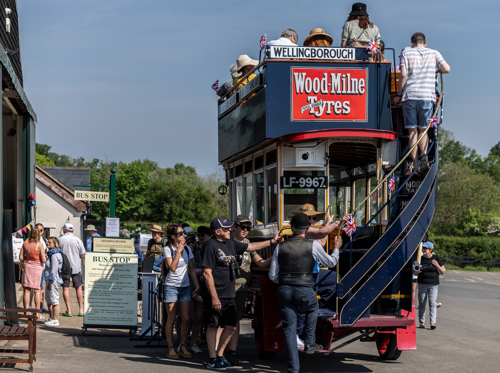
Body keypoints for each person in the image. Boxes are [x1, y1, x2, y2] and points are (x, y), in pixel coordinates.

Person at [202, 217, 281, 370]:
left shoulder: (230, 243)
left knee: (231, 326)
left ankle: (220, 355)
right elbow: (206, 273)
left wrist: (272, 241)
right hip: (216, 294)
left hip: (229, 293)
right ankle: (213, 359)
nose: (229, 230)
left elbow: (251, 247)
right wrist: (214, 297)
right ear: (218, 232)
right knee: (214, 326)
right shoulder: (210, 245)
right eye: (226, 229)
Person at [269, 213, 343, 373]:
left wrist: (286, 282)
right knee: (312, 307)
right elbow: (330, 263)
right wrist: (336, 249)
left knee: (289, 331)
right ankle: (310, 342)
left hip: (284, 290)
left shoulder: (280, 247)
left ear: (291, 228)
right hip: (304, 289)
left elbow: (273, 276)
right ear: (307, 229)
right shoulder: (312, 245)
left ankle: (293, 369)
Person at [394, 32, 451, 175]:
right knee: (423, 130)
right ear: (425, 43)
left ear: (412, 43)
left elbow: (403, 75)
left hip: (410, 96)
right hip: (427, 96)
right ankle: (424, 156)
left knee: (412, 130)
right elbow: (447, 69)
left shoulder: (406, 52)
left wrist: (399, 95)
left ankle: (414, 164)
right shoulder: (434, 53)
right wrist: (436, 69)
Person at [163, 224, 200, 359]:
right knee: (171, 318)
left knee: (186, 318)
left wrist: (196, 285)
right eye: (180, 233)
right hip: (171, 286)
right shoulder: (167, 249)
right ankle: (170, 347)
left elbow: (191, 269)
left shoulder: (188, 250)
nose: (184, 235)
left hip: (184, 287)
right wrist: (178, 251)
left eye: (184, 233)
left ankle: (183, 345)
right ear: (173, 237)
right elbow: (172, 268)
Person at [225, 215, 253, 365]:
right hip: (226, 287)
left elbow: (260, 262)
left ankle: (232, 352)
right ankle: (217, 352)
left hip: (241, 288)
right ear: (234, 227)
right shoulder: (227, 242)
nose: (245, 230)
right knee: (222, 321)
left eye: (248, 228)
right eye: (243, 227)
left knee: (235, 321)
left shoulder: (248, 243)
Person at [414, 241, 446, 330]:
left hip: (433, 284)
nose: (424, 250)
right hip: (422, 284)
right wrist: (417, 271)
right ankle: (422, 322)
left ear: (431, 250)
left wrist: (436, 265)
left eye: (426, 248)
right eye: (423, 248)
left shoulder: (436, 258)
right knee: (422, 304)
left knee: (432, 303)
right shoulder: (420, 258)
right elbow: (415, 273)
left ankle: (433, 322)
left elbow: (443, 271)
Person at [189, 226, 210, 354]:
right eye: (199, 235)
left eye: (203, 235)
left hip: (204, 288)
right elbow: (188, 270)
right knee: (186, 318)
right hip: (190, 287)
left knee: (198, 318)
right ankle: (182, 342)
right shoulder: (193, 250)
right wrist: (204, 271)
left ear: (209, 236)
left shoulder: (207, 249)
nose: (200, 237)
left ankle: (193, 342)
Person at [59, 223, 85, 317]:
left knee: (66, 287)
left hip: (64, 267)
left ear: (65, 230)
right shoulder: (78, 240)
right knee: (78, 287)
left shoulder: (60, 239)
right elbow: (82, 255)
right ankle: (81, 310)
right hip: (76, 266)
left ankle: (68, 310)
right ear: (72, 230)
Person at [19, 227, 46, 318]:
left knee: (27, 290)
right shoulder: (40, 245)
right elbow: (43, 259)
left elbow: (21, 257)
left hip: (28, 267)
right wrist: (45, 257)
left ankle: (27, 312)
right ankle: (37, 312)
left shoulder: (25, 243)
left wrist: (28, 258)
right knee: (37, 290)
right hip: (37, 267)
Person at [44, 237, 63, 326]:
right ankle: (51, 318)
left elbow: (54, 269)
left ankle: (55, 320)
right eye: (47, 242)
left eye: (49, 243)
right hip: (49, 279)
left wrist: (51, 281)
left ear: (54, 244)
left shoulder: (55, 254)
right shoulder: (51, 254)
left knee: (54, 300)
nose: (48, 244)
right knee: (49, 299)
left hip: (53, 280)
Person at [35, 223, 49, 314]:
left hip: (42, 267)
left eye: (40, 230)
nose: (38, 231)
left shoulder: (44, 240)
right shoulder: (30, 240)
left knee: (41, 287)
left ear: (42, 231)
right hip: (34, 266)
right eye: (36, 229)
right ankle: (31, 308)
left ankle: (41, 305)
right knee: (32, 289)